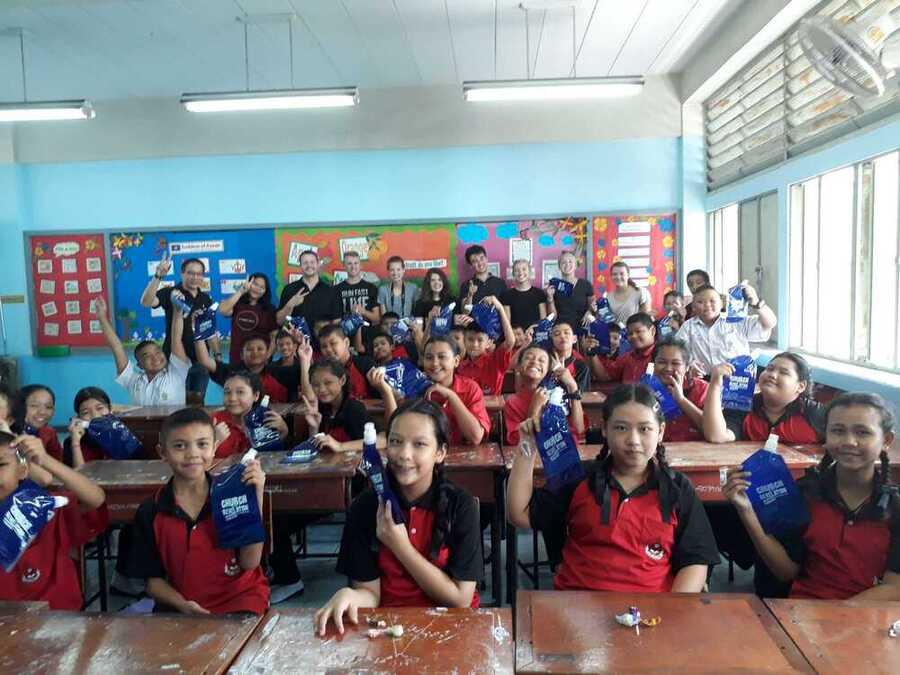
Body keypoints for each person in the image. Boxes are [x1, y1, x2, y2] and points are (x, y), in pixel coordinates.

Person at [507, 384, 719, 592]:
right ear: (605, 430)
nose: (633, 440)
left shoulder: (677, 488)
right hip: (579, 604)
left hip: (651, 609)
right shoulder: (579, 478)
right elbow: (519, 514)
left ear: (661, 432)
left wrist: (672, 608)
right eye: (621, 428)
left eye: (644, 429)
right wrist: (527, 445)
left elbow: (696, 560)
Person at [314, 399, 482, 634]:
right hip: (389, 626)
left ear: (440, 452)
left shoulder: (461, 505)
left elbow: (460, 599)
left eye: (419, 444)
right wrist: (350, 595)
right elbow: (370, 594)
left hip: (453, 626)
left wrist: (400, 546)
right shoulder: (366, 507)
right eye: (395, 441)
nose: (404, 454)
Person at [724, 392, 900, 600]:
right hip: (802, 610)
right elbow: (786, 572)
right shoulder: (806, 494)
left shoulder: (894, 507)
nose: (849, 441)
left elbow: (894, 587)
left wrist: (839, 614)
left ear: (886, 440)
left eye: (863, 432)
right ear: (825, 435)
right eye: (838, 431)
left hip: (868, 615)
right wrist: (746, 510)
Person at [127, 407, 269, 615]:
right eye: (179, 446)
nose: (192, 454)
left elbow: (249, 562)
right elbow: (152, 581)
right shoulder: (151, 510)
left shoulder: (231, 494)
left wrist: (256, 497)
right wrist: (183, 606)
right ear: (162, 453)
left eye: (202, 444)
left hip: (240, 600)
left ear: (214, 448)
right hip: (182, 605)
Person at [0, 431, 108, 609]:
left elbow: (95, 499)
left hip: (55, 616)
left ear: (23, 470)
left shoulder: (42, 505)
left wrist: (45, 460)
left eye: (1, 465)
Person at [703, 352, 825, 444]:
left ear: (801, 386)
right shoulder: (743, 404)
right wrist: (715, 384)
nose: (772, 375)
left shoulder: (814, 413)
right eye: (769, 369)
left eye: (784, 372)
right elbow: (717, 436)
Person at [139, 254, 216, 399]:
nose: (195, 277)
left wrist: (217, 354)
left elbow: (210, 330)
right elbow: (146, 302)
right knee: (174, 399)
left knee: (196, 401)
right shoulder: (171, 293)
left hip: (200, 358)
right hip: (174, 357)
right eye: (190, 273)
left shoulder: (206, 298)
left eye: (199, 274)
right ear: (182, 274)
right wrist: (158, 276)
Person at [94, 297, 191, 406]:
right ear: (139, 365)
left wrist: (177, 312)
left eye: (158, 352)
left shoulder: (177, 373)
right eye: (147, 356)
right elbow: (116, 347)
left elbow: (176, 338)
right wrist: (102, 318)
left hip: (175, 418)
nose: (155, 357)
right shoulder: (133, 381)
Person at [675, 283, 776, 376]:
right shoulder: (688, 327)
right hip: (706, 381)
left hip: (738, 380)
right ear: (693, 307)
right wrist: (689, 363)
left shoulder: (736, 320)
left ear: (721, 303)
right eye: (700, 302)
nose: (707, 305)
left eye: (712, 301)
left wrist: (757, 303)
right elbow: (677, 350)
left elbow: (769, 324)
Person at [503, 345, 585, 446]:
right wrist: (534, 408)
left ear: (548, 371)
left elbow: (579, 431)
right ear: (519, 367)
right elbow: (521, 441)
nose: (534, 362)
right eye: (529, 358)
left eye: (541, 360)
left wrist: (572, 386)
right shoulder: (512, 402)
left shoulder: (559, 395)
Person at [421, 336, 490, 445]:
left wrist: (451, 396)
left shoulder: (470, 388)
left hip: (463, 454)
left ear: (456, 361)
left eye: (442, 357)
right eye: (429, 357)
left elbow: (476, 437)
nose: (434, 363)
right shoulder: (416, 388)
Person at [296, 358, 372, 453]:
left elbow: (382, 440)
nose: (322, 389)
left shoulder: (354, 408)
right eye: (316, 385)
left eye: (328, 383)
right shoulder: (318, 409)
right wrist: (314, 428)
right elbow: (314, 451)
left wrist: (340, 446)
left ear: (342, 380)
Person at [212, 370, 290, 459]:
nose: (232, 398)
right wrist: (213, 441)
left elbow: (273, 455)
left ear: (256, 395)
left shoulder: (266, 417)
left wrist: (284, 431)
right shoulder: (214, 421)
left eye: (240, 392)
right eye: (227, 392)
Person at [457, 295, 517, 396]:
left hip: (490, 406)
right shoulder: (460, 366)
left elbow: (510, 342)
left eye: (480, 340)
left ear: (489, 343)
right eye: (470, 339)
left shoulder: (494, 361)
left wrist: (500, 309)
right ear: (464, 340)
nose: (475, 344)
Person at [651, 337, 708, 442]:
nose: (668, 368)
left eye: (675, 363)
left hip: (695, 451)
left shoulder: (703, 390)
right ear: (653, 364)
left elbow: (711, 430)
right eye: (662, 362)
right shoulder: (645, 388)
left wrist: (681, 400)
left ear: (687, 367)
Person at [218, 273, 278, 365]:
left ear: (265, 291)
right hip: (237, 358)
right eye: (255, 284)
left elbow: (274, 337)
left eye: (262, 287)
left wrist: (267, 357)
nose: (257, 289)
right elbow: (223, 311)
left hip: (260, 360)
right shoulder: (237, 303)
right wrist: (241, 291)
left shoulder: (270, 309)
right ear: (249, 284)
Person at [276, 250, 341, 327]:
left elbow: (337, 321)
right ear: (300, 266)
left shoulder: (331, 291)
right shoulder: (289, 289)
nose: (309, 265)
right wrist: (290, 305)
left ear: (318, 264)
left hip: (322, 335)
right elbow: (279, 322)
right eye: (305, 263)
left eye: (312, 262)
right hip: (295, 335)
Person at [590, 313, 657, 384]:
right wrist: (592, 352)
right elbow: (605, 377)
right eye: (630, 333)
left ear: (652, 331)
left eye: (638, 331)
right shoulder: (627, 357)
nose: (633, 336)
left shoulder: (661, 356)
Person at [317, 325, 376, 400]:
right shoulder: (323, 372)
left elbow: (382, 400)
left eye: (333, 343)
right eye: (324, 346)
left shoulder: (365, 364)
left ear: (346, 342)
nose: (328, 349)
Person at [12, 385, 64, 464]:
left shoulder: (49, 433)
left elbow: (59, 463)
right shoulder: (9, 434)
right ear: (19, 407)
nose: (42, 412)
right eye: (34, 405)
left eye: (48, 407)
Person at [65, 386, 114, 467]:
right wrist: (75, 443)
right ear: (78, 418)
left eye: (99, 408)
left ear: (110, 409)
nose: (95, 416)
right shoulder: (70, 442)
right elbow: (77, 474)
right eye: (86, 412)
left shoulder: (123, 434)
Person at [545, 251, 593, 330]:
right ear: (559, 266)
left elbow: (593, 306)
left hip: (581, 330)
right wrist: (550, 298)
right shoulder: (553, 287)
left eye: (570, 261)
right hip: (560, 331)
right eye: (563, 262)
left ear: (575, 266)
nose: (567, 264)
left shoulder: (586, 284)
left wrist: (589, 312)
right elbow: (552, 318)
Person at [335, 251, 381, 324]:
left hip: (367, 330)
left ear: (360, 265)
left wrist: (364, 311)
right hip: (345, 330)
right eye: (349, 263)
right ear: (344, 265)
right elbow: (335, 322)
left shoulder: (371, 288)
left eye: (356, 263)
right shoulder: (336, 290)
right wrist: (350, 317)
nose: (353, 267)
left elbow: (377, 319)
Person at [501, 259, 547, 329]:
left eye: (524, 269)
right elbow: (507, 325)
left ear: (530, 272)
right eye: (517, 270)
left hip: (535, 333)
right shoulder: (506, 295)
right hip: (515, 334)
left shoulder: (539, 293)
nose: (520, 272)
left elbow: (543, 322)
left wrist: (534, 330)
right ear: (513, 274)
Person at [548, 321, 591, 392]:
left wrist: (568, 380)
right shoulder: (545, 362)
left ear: (574, 339)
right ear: (552, 340)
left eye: (566, 333)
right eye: (557, 334)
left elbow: (583, 395)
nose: (562, 336)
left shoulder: (582, 366)